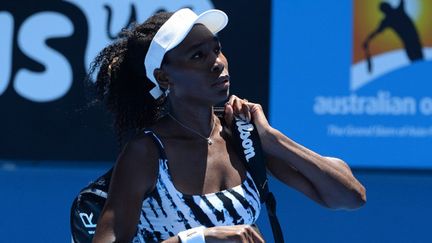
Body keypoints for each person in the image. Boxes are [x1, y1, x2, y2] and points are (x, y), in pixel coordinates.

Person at [89, 8, 366, 243]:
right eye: (198, 56)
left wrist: (272, 139)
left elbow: (350, 197)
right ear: (164, 78)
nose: (217, 63)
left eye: (217, 49)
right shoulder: (146, 152)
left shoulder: (243, 135)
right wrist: (202, 238)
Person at [363, 0, 423, 73]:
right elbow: (376, 32)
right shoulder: (396, 13)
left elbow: (376, 32)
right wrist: (367, 40)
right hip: (412, 43)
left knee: (418, 64)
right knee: (418, 64)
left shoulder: (390, 18)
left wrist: (367, 40)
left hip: (412, 43)